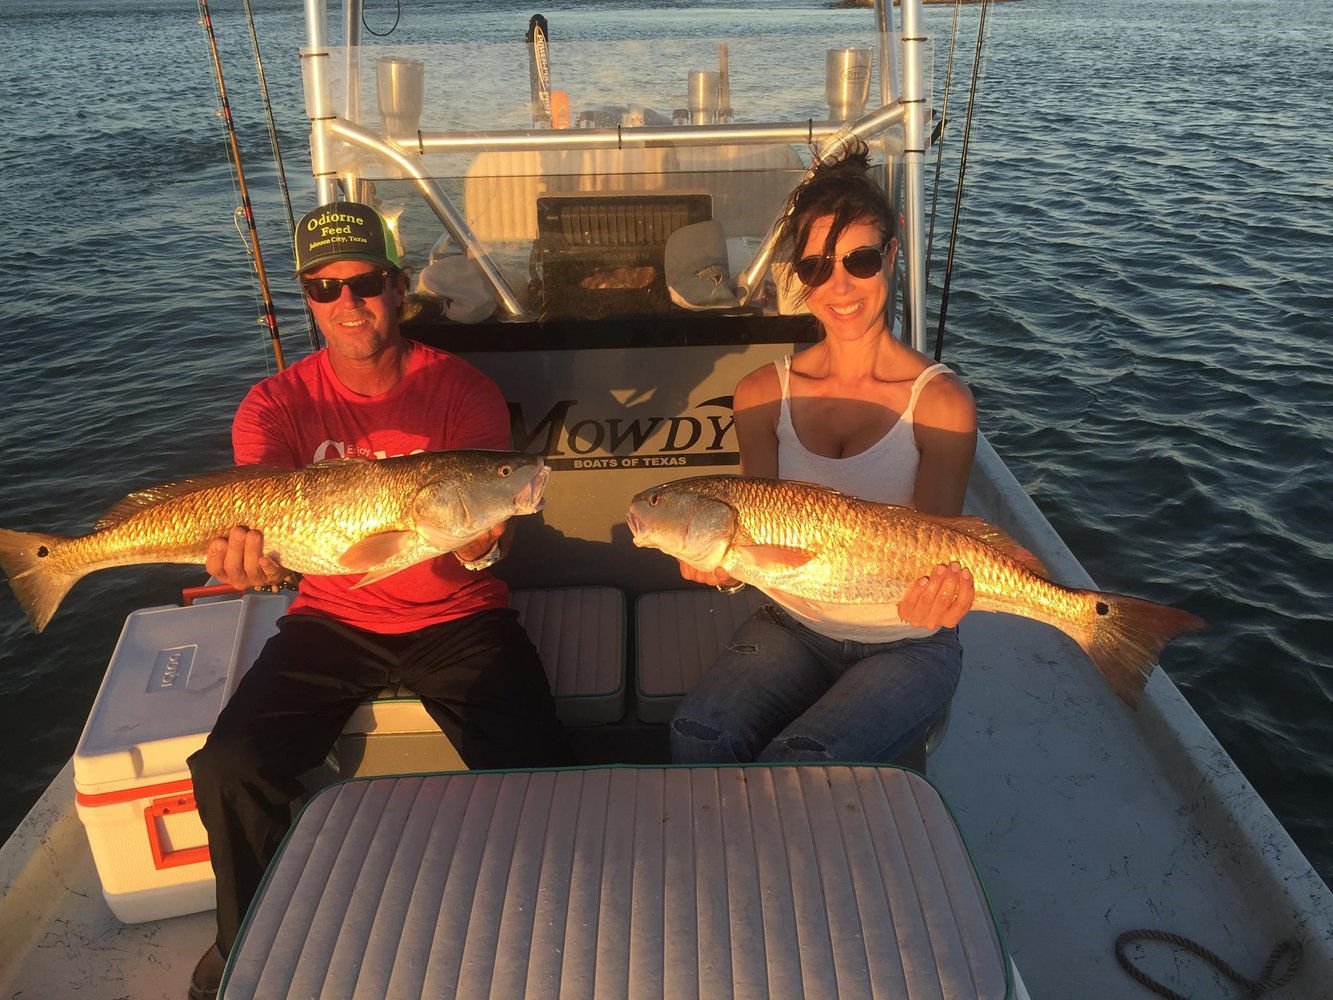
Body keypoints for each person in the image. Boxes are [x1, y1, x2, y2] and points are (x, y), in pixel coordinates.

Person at [185, 202, 567, 999]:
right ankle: (242, 938)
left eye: (364, 282)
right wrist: (250, 563)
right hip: (330, 619)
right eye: (324, 288)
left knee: (541, 765)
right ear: (308, 297)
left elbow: (487, 541)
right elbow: (259, 521)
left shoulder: (461, 391)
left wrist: (480, 541)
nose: (347, 303)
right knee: (229, 765)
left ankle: (548, 927)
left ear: (396, 287)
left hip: (459, 615)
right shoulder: (273, 405)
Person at [669, 141, 978, 768]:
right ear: (798, 277)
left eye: (860, 260)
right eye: (816, 268)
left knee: (801, 765)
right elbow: (753, 524)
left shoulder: (940, 402)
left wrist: (944, 595)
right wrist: (725, 566)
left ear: (892, 256)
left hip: (908, 642)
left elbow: (941, 544)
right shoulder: (761, 395)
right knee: (696, 733)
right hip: (793, 624)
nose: (839, 287)